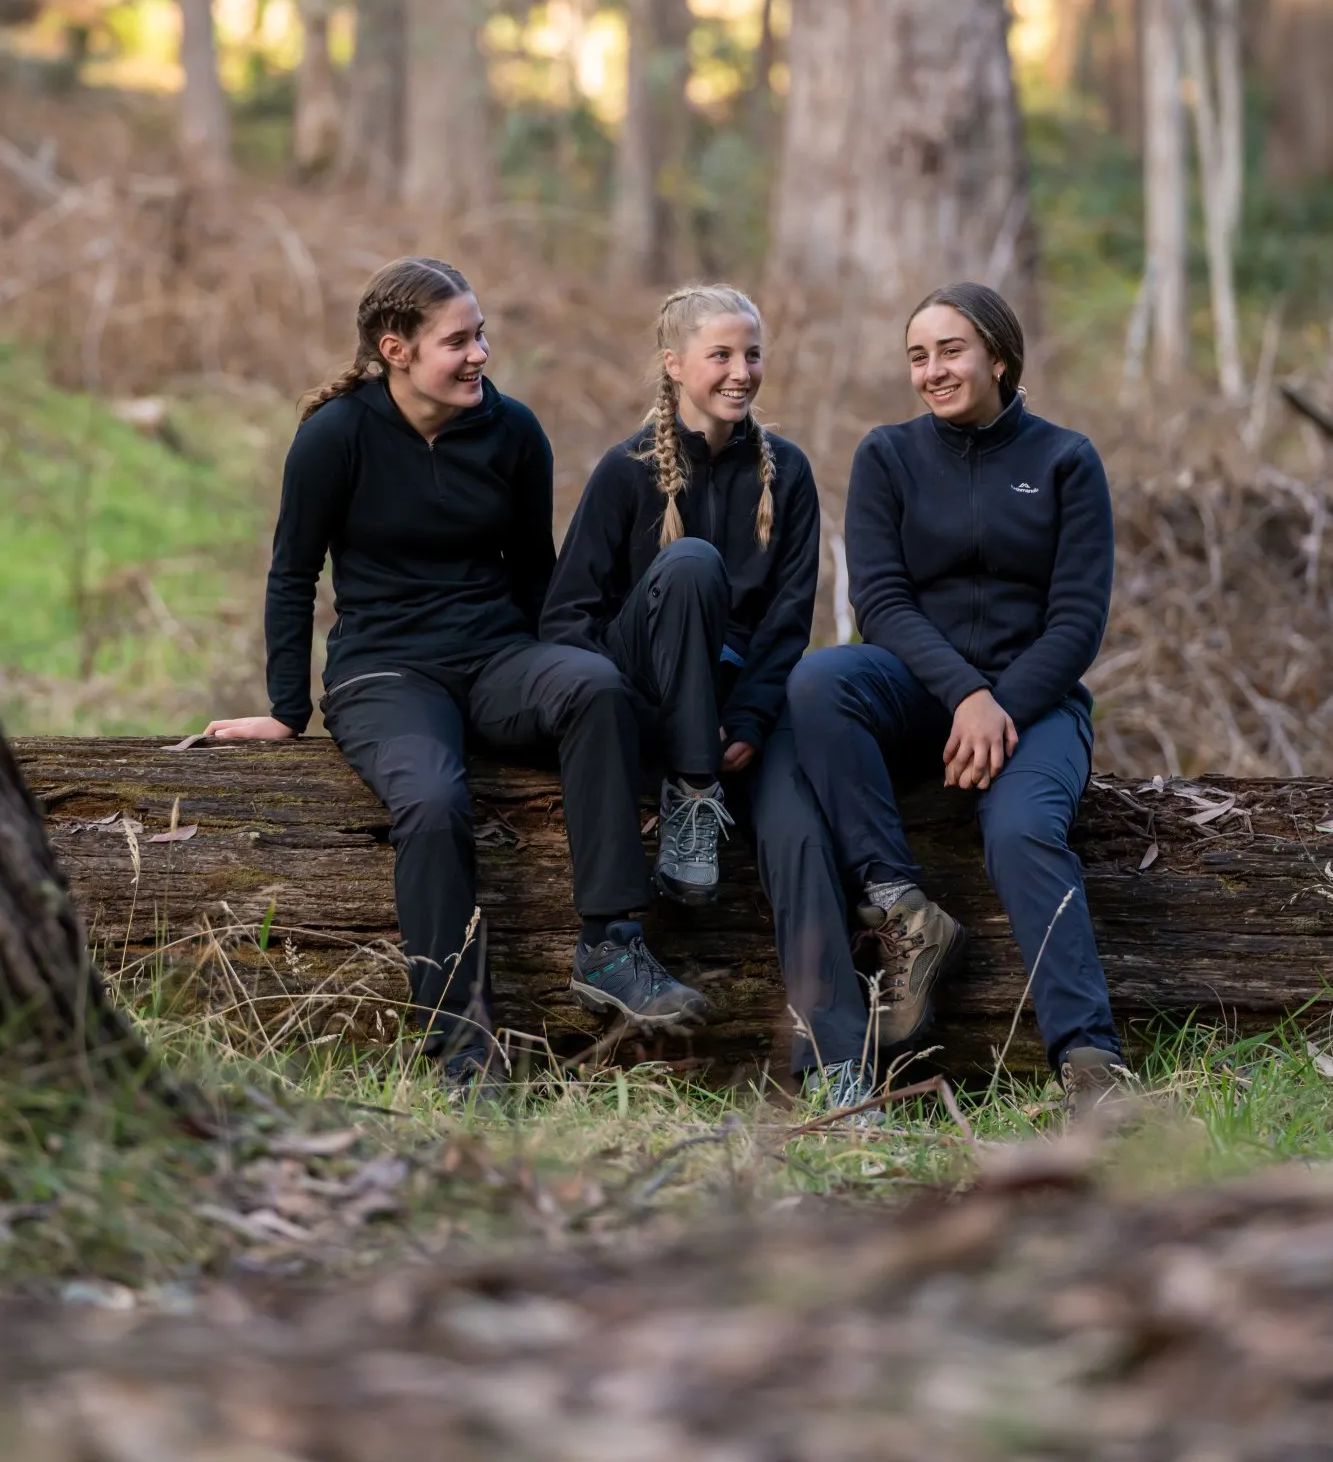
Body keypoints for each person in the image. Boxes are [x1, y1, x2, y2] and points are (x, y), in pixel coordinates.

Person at [204, 257, 706, 1092]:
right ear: (395, 350)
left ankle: (610, 945)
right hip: (385, 673)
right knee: (434, 804)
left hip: (497, 658)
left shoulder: (512, 432)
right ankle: (462, 1051)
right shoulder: (337, 437)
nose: (480, 354)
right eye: (459, 341)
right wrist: (287, 710)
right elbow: (293, 573)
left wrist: (579, 674)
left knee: (594, 689)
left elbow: (537, 578)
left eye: (482, 335)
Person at [785, 281, 1127, 1117]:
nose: (931, 371)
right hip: (919, 690)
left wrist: (1000, 703)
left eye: (950, 351)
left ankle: (1090, 1065)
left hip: (1039, 705)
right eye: (917, 356)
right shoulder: (887, 455)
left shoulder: (1065, 460)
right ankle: (902, 906)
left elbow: (1078, 619)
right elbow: (881, 602)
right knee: (819, 680)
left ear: (999, 358)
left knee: (1020, 833)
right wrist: (964, 693)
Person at [542, 286, 868, 1107]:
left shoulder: (786, 473)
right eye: (720, 355)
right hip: (650, 702)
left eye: (751, 354)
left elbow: (790, 621)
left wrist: (751, 719)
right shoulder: (627, 473)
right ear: (675, 365)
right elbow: (567, 617)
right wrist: (636, 718)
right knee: (689, 565)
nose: (739, 371)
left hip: (743, 714)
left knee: (797, 831)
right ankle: (691, 799)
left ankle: (836, 1064)